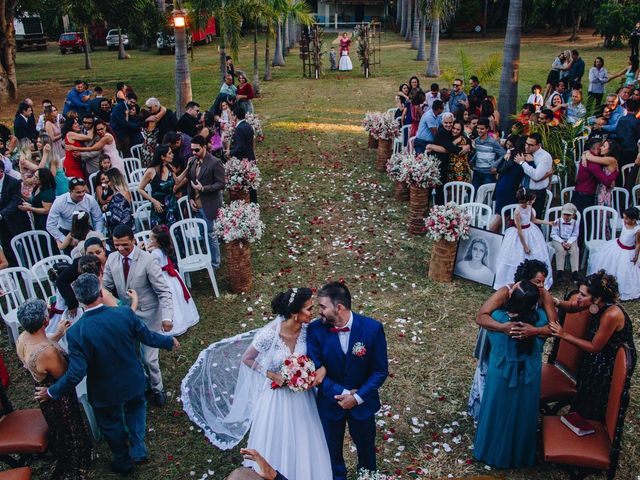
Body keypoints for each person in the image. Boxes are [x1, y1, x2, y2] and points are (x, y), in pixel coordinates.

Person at [181, 288, 332, 479]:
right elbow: (247, 359)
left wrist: (315, 372)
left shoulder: (308, 330)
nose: (313, 313)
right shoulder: (270, 334)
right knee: (278, 437)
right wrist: (272, 375)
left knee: (305, 435)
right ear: (295, 314)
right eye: (309, 309)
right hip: (277, 396)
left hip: (303, 396)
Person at [36, 273, 178, 476]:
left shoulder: (77, 332)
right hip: (133, 380)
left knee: (111, 424)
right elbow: (147, 337)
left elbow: (77, 373)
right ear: (101, 293)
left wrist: (51, 392)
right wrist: (168, 341)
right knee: (136, 408)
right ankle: (138, 446)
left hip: (104, 390)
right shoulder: (124, 314)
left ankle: (123, 460)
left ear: (79, 299)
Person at [307, 282, 388, 479]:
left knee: (366, 449)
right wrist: (344, 395)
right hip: (329, 401)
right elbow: (314, 369)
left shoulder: (372, 329)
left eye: (323, 307)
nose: (319, 312)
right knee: (331, 450)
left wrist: (358, 397)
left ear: (339, 307)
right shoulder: (315, 330)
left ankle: (367, 476)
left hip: (362, 404)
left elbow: (380, 370)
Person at [473, 280, 548, 469]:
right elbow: (552, 326)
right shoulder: (540, 321)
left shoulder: (497, 318)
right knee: (522, 414)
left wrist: (504, 294)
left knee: (496, 412)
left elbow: (481, 314)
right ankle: (519, 455)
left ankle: (490, 451)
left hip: (501, 374)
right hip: (529, 376)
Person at [468, 259, 555, 422]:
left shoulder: (543, 295)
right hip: (498, 337)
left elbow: (554, 327)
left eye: (543, 282)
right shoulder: (505, 292)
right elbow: (481, 317)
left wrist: (534, 330)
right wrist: (503, 327)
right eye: (538, 282)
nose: (542, 286)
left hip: (525, 347)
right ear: (524, 280)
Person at [16, 299, 92, 480]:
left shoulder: (23, 338)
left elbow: (44, 339)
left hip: (43, 391)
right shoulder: (48, 352)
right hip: (58, 395)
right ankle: (78, 461)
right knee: (70, 429)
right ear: (44, 321)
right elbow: (66, 374)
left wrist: (58, 333)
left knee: (60, 430)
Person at [550, 271, 637, 421]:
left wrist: (564, 335)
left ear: (597, 298)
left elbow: (594, 347)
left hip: (612, 359)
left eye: (583, 295)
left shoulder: (611, 314)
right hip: (597, 353)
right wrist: (555, 301)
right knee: (585, 382)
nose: (578, 298)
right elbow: (571, 306)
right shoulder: (595, 303)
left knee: (597, 396)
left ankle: (595, 425)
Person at [103, 225, 174, 407]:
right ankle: (144, 385)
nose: (120, 249)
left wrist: (167, 318)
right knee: (133, 354)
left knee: (149, 358)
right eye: (116, 245)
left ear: (133, 240)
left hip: (149, 314)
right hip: (127, 316)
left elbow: (164, 291)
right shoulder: (112, 259)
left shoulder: (148, 261)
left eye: (124, 245)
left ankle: (158, 388)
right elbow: (106, 287)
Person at [493, 188, 553, 291]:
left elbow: (534, 220)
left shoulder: (529, 207)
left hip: (531, 231)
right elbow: (519, 231)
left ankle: (534, 280)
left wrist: (549, 223)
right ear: (528, 200)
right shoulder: (517, 212)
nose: (534, 201)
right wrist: (525, 246)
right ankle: (514, 282)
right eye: (533, 199)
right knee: (516, 257)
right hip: (520, 235)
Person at [178, 134, 223, 270]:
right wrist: (190, 198)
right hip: (196, 205)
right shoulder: (192, 161)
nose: (194, 152)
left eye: (197, 150)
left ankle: (215, 263)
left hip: (208, 204)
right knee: (203, 234)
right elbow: (190, 181)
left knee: (210, 234)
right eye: (192, 150)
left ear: (204, 147)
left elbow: (221, 183)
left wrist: (203, 188)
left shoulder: (215, 162)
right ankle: (207, 257)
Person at [147, 225, 199, 336]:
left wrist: (146, 251)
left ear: (158, 242)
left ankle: (175, 324)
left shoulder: (154, 253)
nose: (150, 241)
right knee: (177, 298)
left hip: (162, 277)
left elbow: (150, 264)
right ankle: (185, 318)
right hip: (171, 277)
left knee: (169, 301)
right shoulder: (163, 249)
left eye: (152, 239)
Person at [587, 207, 640, 300]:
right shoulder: (625, 222)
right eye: (624, 217)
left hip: (627, 252)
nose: (624, 220)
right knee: (609, 263)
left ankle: (622, 288)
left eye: (627, 218)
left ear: (634, 220)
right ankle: (605, 283)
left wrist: (636, 256)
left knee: (623, 270)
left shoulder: (637, 230)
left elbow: (638, 244)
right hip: (617, 246)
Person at [46, 178, 104, 252]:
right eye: (78, 192)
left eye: (83, 191)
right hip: (67, 232)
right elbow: (50, 225)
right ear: (70, 191)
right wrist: (65, 239)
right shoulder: (59, 202)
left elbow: (98, 219)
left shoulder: (90, 199)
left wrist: (96, 235)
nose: (82, 194)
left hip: (87, 232)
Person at [489, 135, 525, 232]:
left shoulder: (511, 153)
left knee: (503, 216)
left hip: (503, 185)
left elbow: (499, 168)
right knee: (501, 216)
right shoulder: (521, 157)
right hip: (509, 188)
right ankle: (487, 235)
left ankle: (496, 238)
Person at [513, 133, 553, 219]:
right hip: (523, 190)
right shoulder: (525, 152)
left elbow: (536, 176)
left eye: (531, 145)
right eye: (526, 144)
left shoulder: (545, 157)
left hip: (536, 193)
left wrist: (522, 163)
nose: (527, 147)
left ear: (539, 145)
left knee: (533, 220)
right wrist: (509, 152)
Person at [138, 144, 179, 227]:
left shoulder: (169, 167)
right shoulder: (151, 171)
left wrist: (188, 169)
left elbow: (177, 181)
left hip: (171, 204)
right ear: (162, 157)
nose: (172, 155)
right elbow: (140, 189)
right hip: (159, 206)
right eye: (170, 153)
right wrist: (153, 201)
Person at [0, 161, 32, 266]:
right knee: (7, 247)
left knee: (26, 246)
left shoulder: (13, 182)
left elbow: (15, 201)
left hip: (17, 221)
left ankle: (30, 268)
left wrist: (2, 214)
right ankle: (16, 272)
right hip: (2, 225)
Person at [469, 117, 505, 191]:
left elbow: (504, 154)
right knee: (474, 194)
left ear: (487, 129)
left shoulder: (493, 142)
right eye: (478, 128)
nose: (479, 130)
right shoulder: (476, 141)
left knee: (486, 196)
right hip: (477, 172)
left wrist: (495, 165)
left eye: (482, 129)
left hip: (488, 174)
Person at [550, 202, 580, 282]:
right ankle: (560, 272)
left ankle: (575, 272)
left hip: (570, 240)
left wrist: (569, 242)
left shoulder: (575, 223)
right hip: (558, 239)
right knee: (560, 250)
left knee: (574, 250)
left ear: (573, 215)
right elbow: (553, 234)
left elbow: (575, 235)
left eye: (568, 215)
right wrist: (562, 242)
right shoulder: (557, 221)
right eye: (564, 214)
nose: (566, 216)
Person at [104, 168, 134, 238]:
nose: (107, 184)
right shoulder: (125, 191)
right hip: (128, 226)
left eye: (107, 182)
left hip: (122, 232)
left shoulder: (118, 196)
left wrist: (106, 222)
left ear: (113, 180)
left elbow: (116, 218)